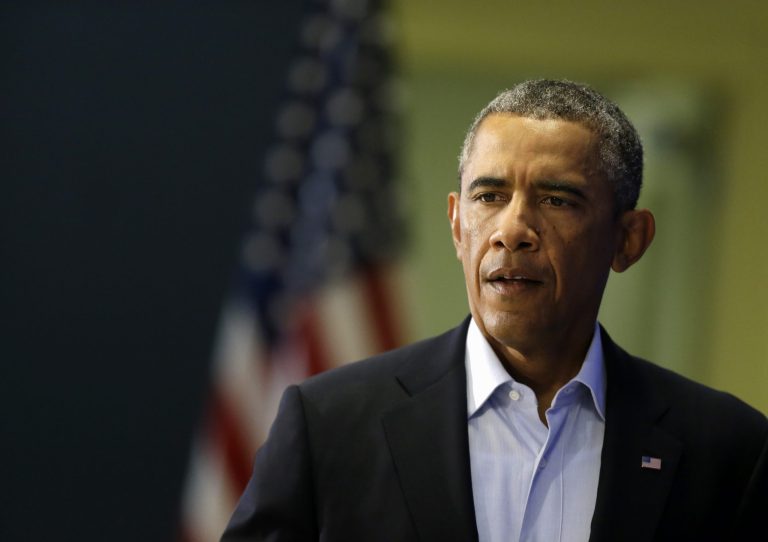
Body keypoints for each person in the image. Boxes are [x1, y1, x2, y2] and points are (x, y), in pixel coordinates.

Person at [221, 80, 767, 542]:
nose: (512, 231)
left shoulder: (727, 452)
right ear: (458, 225)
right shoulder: (328, 427)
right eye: (489, 196)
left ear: (628, 239)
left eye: (557, 199)